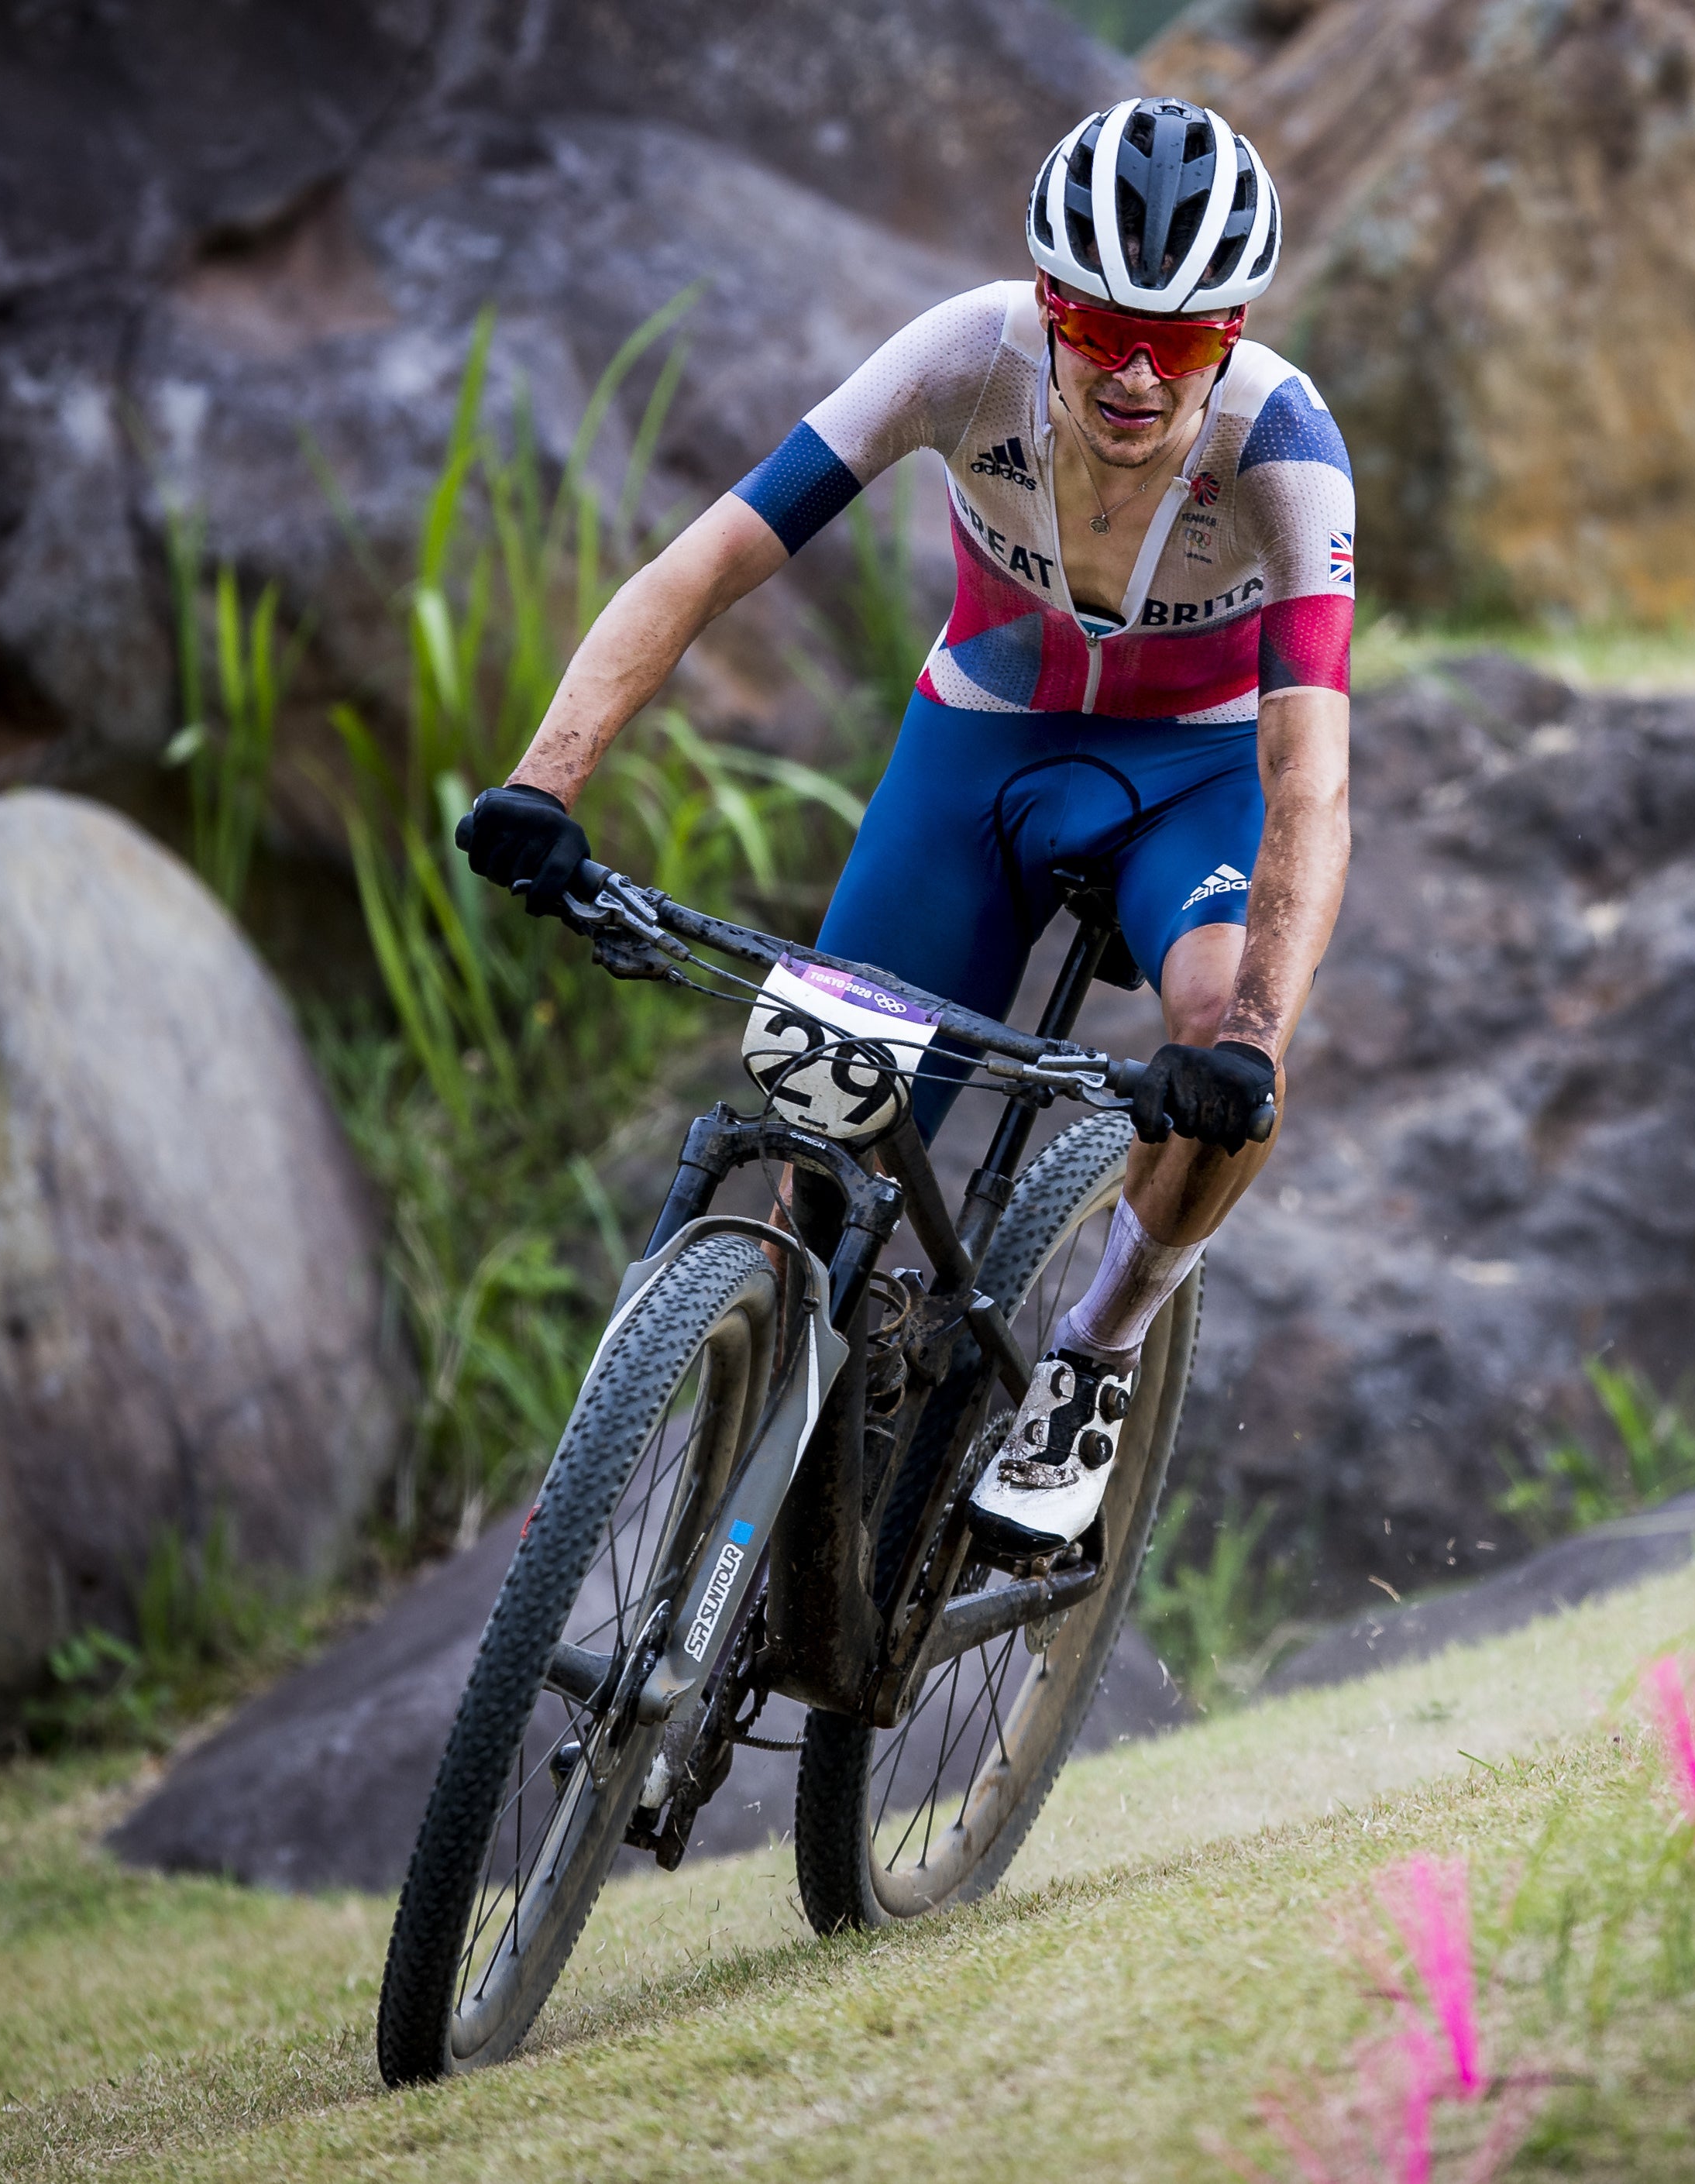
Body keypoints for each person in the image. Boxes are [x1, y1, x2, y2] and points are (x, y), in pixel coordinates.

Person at [452, 98, 1352, 1555]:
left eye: (1180, 343)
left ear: (1232, 335)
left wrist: (1252, 1031)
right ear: (1045, 301)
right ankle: (784, 1466)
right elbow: (707, 561)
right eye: (1095, 322)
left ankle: (1097, 1354)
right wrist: (547, 779)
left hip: (1193, 780)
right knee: (827, 1152)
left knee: (1218, 1034)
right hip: (979, 749)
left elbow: (1309, 776)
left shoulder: (1288, 450)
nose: (1132, 373)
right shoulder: (962, 354)